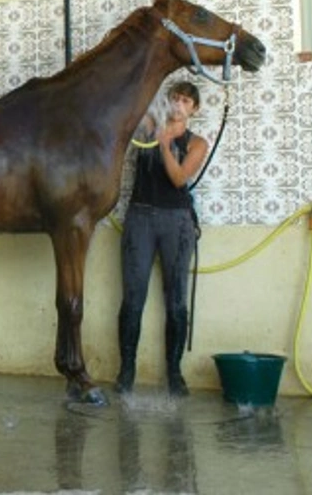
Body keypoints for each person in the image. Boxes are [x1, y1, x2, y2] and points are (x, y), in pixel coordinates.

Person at [116, 80, 208, 396]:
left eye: (185, 101)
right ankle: (126, 372)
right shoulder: (146, 130)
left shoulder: (197, 143)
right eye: (174, 98)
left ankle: (174, 373)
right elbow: (123, 121)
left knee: (176, 299)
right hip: (139, 217)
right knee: (133, 297)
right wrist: (153, 127)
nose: (178, 104)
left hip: (177, 222)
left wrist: (165, 143)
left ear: (194, 109)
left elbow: (179, 177)